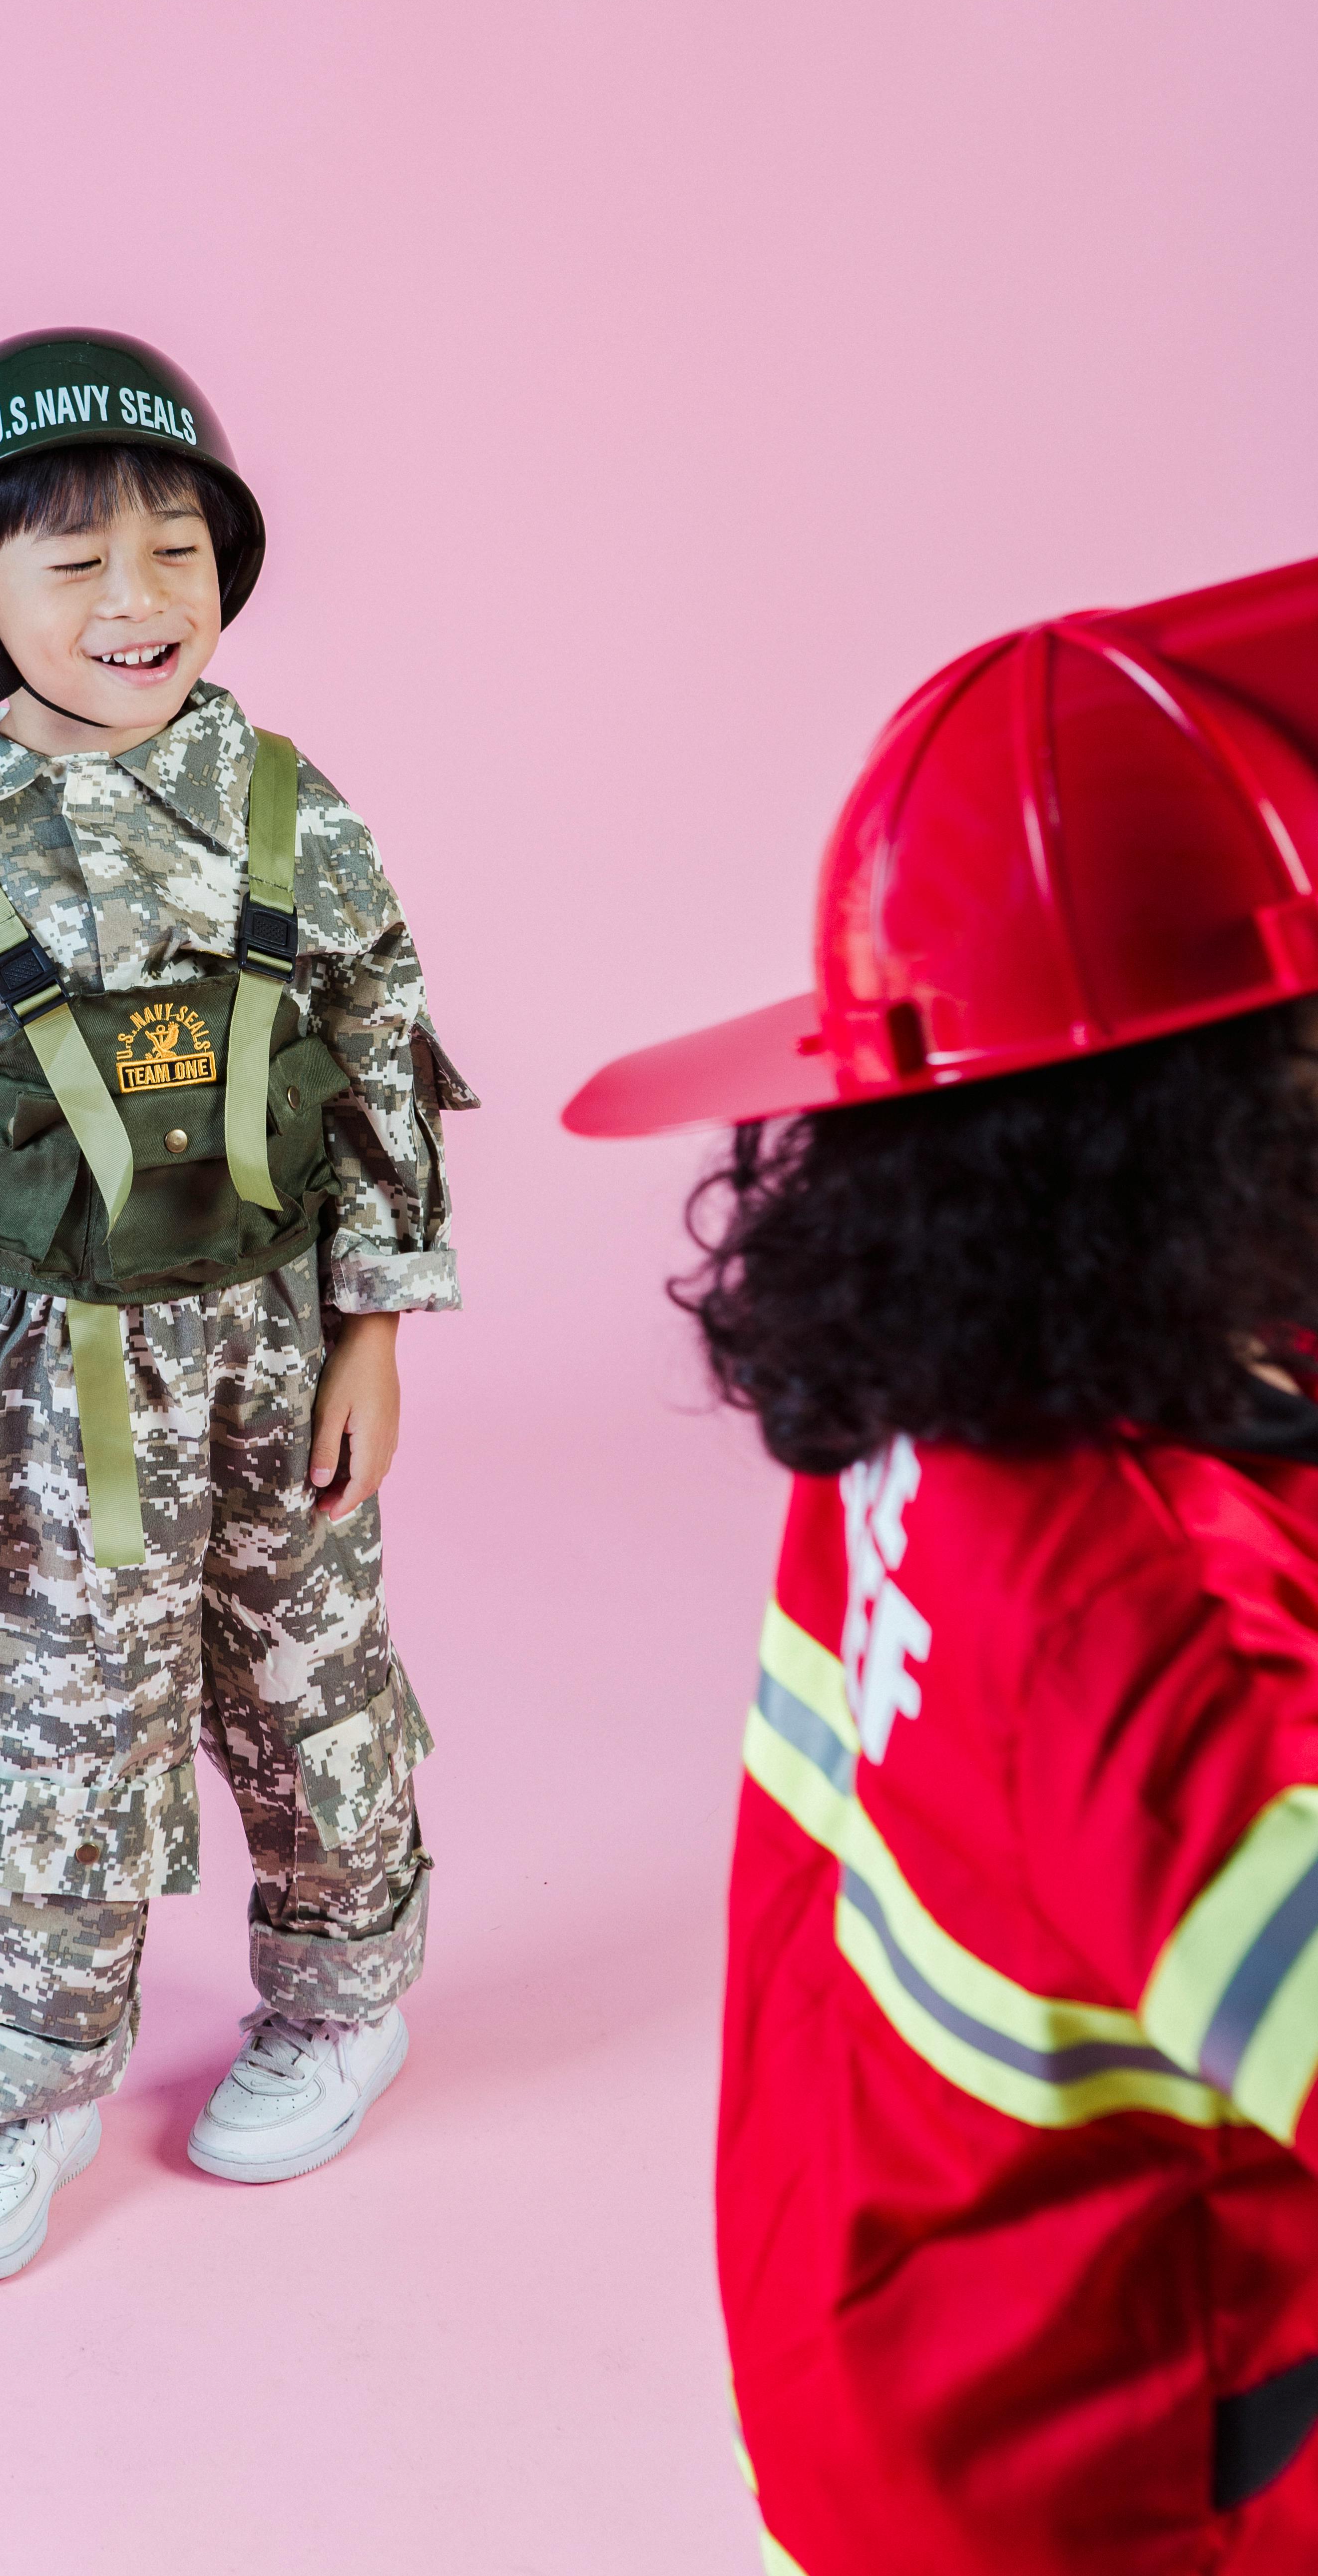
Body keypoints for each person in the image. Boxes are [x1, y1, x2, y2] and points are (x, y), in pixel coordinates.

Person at [564, 557, 1318, 2572]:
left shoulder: (951, 1360)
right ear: (1235, 1114)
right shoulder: (1164, 1653)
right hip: (1126, 2486)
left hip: (894, 2358)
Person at [0, 329, 472, 2283]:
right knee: (61, 1744)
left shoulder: (289, 809)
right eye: (75, 562)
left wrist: (374, 1327)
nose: (137, 598)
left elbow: (385, 1050)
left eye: (175, 548)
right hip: (45, 1384)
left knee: (310, 1691)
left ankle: (345, 2000)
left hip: (272, 1346)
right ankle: (27, 2090)